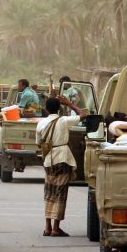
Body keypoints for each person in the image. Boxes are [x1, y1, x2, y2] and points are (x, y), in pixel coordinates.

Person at [36, 95, 85, 237]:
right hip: (63, 158)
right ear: (59, 108)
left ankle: (47, 227)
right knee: (60, 193)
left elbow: (39, 143)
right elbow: (83, 115)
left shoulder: (41, 124)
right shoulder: (63, 121)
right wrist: (70, 104)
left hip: (48, 159)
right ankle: (56, 228)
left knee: (49, 192)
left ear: (45, 108)